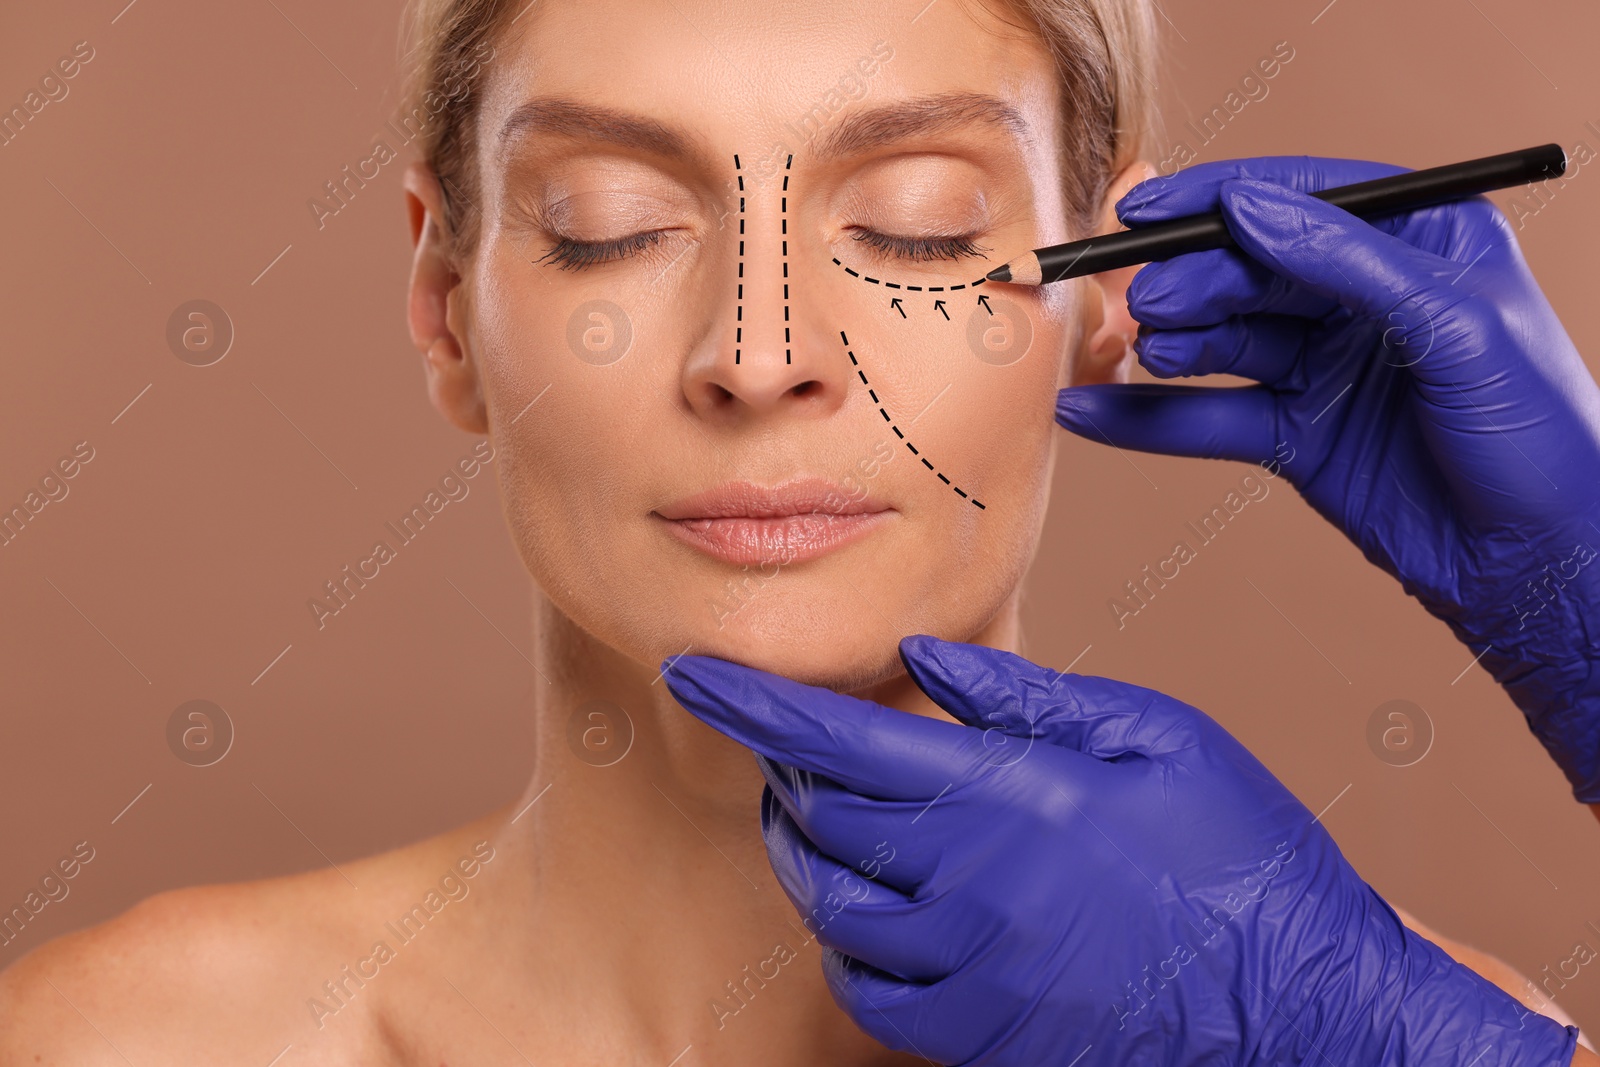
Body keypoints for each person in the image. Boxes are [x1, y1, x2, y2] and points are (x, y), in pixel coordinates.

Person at [0, 0, 1585, 1062]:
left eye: (915, 222)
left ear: (1113, 280)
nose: (758, 353)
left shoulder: (1377, 1030)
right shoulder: (130, 1044)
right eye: (607, 226)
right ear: (443, 306)